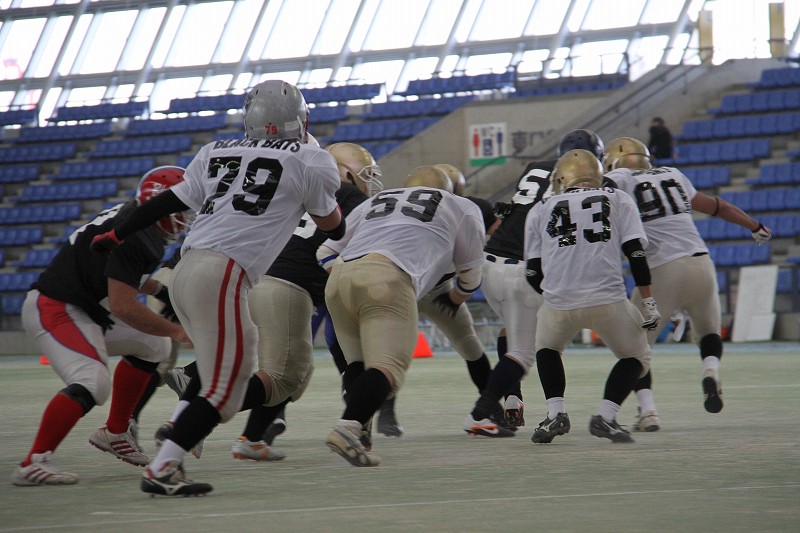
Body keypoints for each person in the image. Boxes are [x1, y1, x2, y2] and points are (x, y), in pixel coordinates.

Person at [91, 80, 344, 496]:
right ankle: (162, 468)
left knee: (218, 377)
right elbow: (331, 224)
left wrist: (118, 233)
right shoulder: (312, 159)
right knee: (227, 390)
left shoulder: (215, 151)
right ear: (303, 120)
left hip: (186, 272)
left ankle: (167, 460)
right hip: (222, 274)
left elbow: (167, 202)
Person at [11, 166, 192, 487]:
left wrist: (160, 291)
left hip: (86, 308)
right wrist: (176, 330)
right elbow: (123, 306)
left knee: (155, 345)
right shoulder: (137, 235)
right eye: (182, 208)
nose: (188, 216)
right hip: (56, 307)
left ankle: (116, 431)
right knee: (92, 381)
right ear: (160, 204)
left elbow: (123, 273)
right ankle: (34, 462)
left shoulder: (136, 221)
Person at [317, 165, 486, 466]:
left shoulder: (377, 200)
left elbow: (325, 252)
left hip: (339, 277)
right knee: (388, 369)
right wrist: (455, 297)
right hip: (388, 275)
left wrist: (351, 276)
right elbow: (471, 274)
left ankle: (360, 431)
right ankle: (347, 428)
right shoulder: (459, 205)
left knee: (358, 364)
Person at [604, 136, 772, 430]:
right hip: (701, 262)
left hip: (662, 267)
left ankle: (648, 411)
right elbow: (718, 206)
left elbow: (596, 197)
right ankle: (711, 370)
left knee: (636, 349)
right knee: (708, 332)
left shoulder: (620, 178)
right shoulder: (673, 174)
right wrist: (754, 226)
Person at [464, 129, 606, 437]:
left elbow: (522, 209)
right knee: (533, 349)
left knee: (513, 331)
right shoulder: (589, 183)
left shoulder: (535, 167)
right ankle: (484, 414)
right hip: (523, 268)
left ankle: (513, 400)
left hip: (491, 263)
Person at [524, 149, 661, 444]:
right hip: (607, 298)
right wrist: (649, 302)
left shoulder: (540, 208)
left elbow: (532, 272)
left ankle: (555, 414)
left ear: (562, 178)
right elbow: (636, 254)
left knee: (547, 348)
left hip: (559, 301)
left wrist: (555, 295)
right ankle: (606, 417)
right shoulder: (618, 198)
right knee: (637, 356)